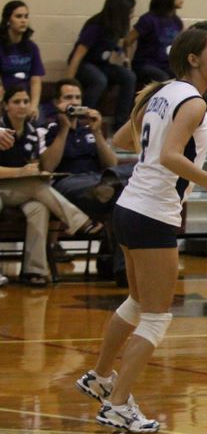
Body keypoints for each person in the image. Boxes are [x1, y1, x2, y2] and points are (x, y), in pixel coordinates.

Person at [74, 21, 207, 433]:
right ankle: (117, 405)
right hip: (152, 213)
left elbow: (123, 139)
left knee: (136, 302)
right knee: (156, 316)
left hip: (129, 207)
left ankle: (100, 376)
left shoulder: (160, 92)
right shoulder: (193, 102)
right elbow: (169, 155)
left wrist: (156, 142)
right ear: (193, 59)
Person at [0, 85, 100, 286]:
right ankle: (80, 222)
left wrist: (36, 171)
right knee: (36, 186)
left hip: (19, 189)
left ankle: (34, 270)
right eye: (17, 102)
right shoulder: (2, 129)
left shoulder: (31, 132)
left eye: (26, 101)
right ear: (5, 106)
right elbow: (20, 171)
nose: (22, 105)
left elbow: (33, 164)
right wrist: (20, 172)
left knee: (38, 206)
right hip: (4, 187)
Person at [38, 78, 135, 284]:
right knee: (124, 192)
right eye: (68, 98)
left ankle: (120, 270)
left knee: (128, 186)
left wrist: (97, 132)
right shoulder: (47, 128)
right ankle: (120, 267)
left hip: (97, 180)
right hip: (66, 181)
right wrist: (64, 129)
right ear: (57, 103)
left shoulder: (89, 128)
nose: (74, 102)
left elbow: (111, 163)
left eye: (77, 97)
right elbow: (48, 167)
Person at [66, 0, 138, 128]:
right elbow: (77, 55)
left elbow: (118, 46)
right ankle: (82, 120)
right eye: (130, 12)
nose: (132, 15)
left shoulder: (117, 27)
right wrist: (68, 82)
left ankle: (121, 123)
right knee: (99, 80)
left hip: (101, 65)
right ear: (120, 12)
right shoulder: (95, 26)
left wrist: (125, 58)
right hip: (84, 64)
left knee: (129, 76)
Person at [124, 0, 184, 84]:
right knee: (163, 78)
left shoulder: (176, 21)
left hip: (166, 64)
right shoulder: (148, 19)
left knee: (184, 76)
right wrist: (127, 62)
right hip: (146, 64)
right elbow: (128, 40)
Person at [0, 0, 45, 118]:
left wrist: (34, 105)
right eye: (18, 16)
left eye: (26, 16)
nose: (23, 20)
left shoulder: (32, 47)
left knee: (39, 118)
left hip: (25, 97)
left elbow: (36, 79)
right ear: (8, 20)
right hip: (5, 97)